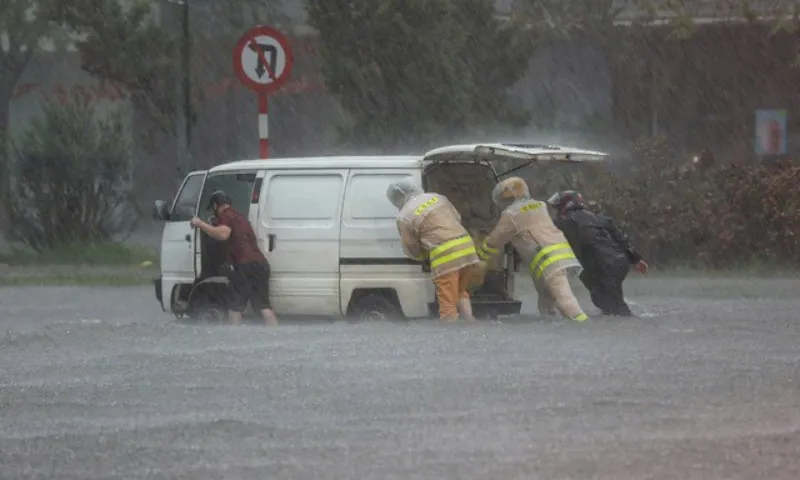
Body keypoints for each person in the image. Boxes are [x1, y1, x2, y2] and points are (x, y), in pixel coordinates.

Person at [475, 177, 588, 322]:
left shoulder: (511, 215)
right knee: (547, 300)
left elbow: (495, 241)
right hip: (562, 254)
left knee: (563, 297)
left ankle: (582, 325)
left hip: (547, 259)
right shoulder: (539, 205)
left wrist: (479, 256)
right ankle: (553, 326)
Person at [387, 180, 480, 323]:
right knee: (461, 291)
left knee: (447, 303)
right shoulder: (436, 197)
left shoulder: (404, 216)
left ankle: (451, 336)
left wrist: (422, 255)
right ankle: (471, 324)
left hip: (446, 255)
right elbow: (457, 218)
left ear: (397, 199)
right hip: (467, 247)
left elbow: (411, 247)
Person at [547, 190, 648, 317]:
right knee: (604, 300)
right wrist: (636, 259)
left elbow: (548, 232)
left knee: (613, 304)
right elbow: (621, 238)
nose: (556, 212)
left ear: (565, 206)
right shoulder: (598, 218)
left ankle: (628, 325)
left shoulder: (566, 222)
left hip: (603, 266)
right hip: (617, 263)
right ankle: (619, 322)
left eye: (558, 208)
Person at [190, 190, 278, 326]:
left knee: (235, 306)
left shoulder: (226, 216)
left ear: (215, 205)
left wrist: (200, 224)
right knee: (263, 306)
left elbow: (223, 234)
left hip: (244, 266)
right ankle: (275, 334)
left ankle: (233, 338)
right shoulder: (239, 216)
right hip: (260, 264)